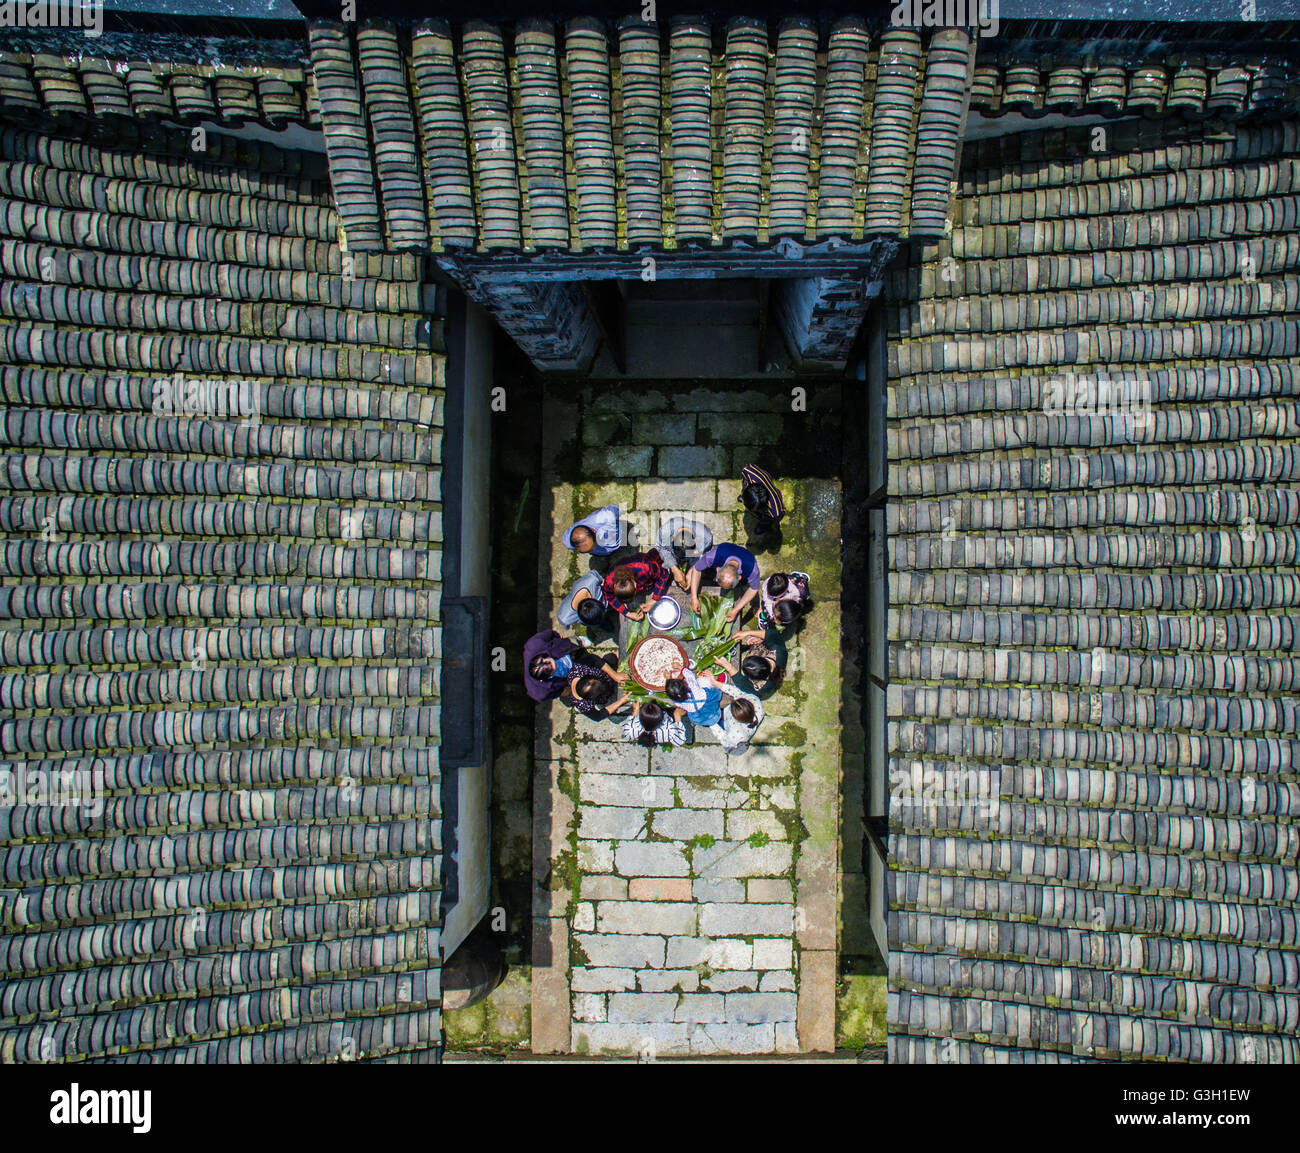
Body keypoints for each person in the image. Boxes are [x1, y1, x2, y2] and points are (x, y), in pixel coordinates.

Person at [688, 541, 760, 623]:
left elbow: (754, 589)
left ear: (739, 577)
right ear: (717, 569)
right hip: (725, 549)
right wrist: (693, 598)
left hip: (746, 556)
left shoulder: (752, 569)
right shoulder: (714, 555)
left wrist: (736, 610)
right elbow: (697, 569)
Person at [603, 549, 673, 619]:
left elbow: (664, 575)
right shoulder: (609, 581)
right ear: (614, 586)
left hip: (649, 562)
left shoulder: (646, 568)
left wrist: (654, 599)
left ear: (636, 584)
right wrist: (627, 613)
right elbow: (609, 597)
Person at [523, 628, 582, 702]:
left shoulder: (534, 644)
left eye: (552, 662)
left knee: (577, 642)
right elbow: (558, 692)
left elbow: (551, 634)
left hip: (563, 648)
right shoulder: (540, 692)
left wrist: (559, 639)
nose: (556, 665)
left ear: (543, 657)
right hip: (568, 676)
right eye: (553, 670)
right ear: (546, 678)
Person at [656, 516, 714, 590]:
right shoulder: (665, 532)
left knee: (697, 573)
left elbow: (702, 556)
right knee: (667, 565)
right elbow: (662, 549)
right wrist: (674, 569)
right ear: (673, 538)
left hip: (695, 553)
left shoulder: (705, 538)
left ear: (695, 543)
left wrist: (692, 570)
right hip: (671, 551)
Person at [731, 626, 788, 698]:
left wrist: (728, 666)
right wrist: (751, 635)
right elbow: (773, 634)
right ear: (761, 658)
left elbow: (742, 684)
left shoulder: (761, 687)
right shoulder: (777, 649)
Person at [711, 681, 765, 755]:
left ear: (735, 718)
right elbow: (737, 692)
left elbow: (721, 735)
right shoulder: (755, 701)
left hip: (730, 730)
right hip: (742, 734)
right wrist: (717, 684)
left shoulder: (733, 734)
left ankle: (736, 749)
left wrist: (710, 722)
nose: (734, 700)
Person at [738, 463, 786, 536]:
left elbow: (780, 515)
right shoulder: (748, 471)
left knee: (767, 519)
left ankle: (765, 524)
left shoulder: (776, 511)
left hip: (767, 514)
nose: (746, 509)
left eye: (749, 508)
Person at [622, 699, 688, 748]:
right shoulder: (669, 730)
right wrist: (677, 715)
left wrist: (635, 710)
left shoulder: (630, 729)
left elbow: (632, 719)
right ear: (662, 717)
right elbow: (680, 740)